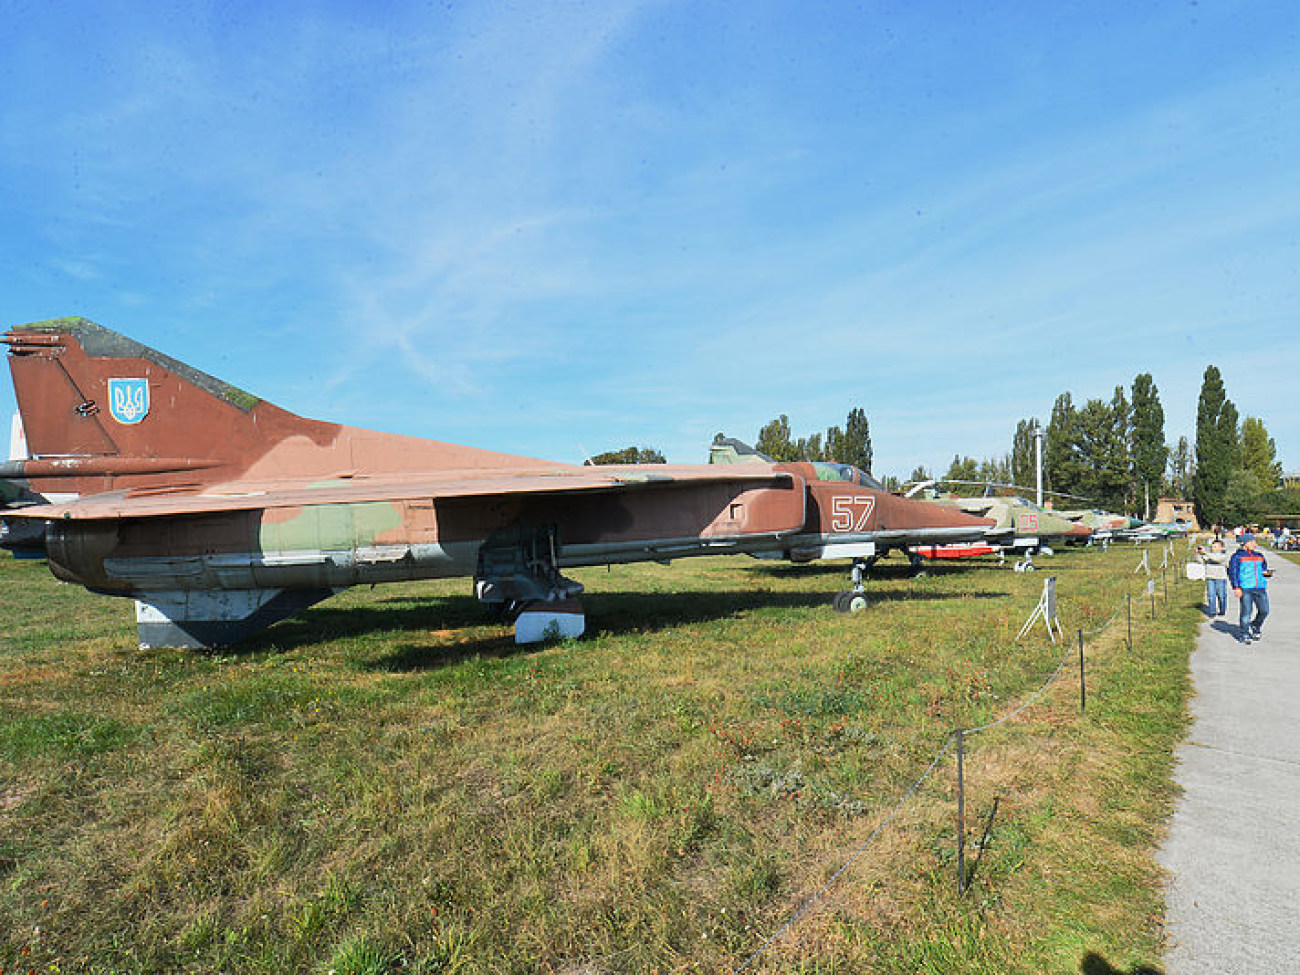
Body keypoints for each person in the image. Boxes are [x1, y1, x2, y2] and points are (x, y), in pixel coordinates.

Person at [1228, 532, 1272, 644]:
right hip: (1245, 588)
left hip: (1260, 587)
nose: (1255, 544)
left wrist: (1266, 573)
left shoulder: (1259, 555)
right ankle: (1244, 633)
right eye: (1252, 542)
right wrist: (1236, 587)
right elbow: (1233, 573)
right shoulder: (1237, 557)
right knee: (1246, 612)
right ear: (1245, 543)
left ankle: (1255, 626)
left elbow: (1263, 569)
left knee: (1264, 611)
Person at [1197, 539, 1230, 617]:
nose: (1213, 548)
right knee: (1211, 595)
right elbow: (1201, 561)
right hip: (1210, 577)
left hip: (1220, 578)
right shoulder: (1209, 555)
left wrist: (1205, 553)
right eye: (1212, 547)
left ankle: (1222, 609)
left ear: (1221, 548)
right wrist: (1198, 554)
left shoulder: (1223, 555)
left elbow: (1216, 559)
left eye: (1215, 547)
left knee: (1221, 595)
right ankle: (1212, 612)